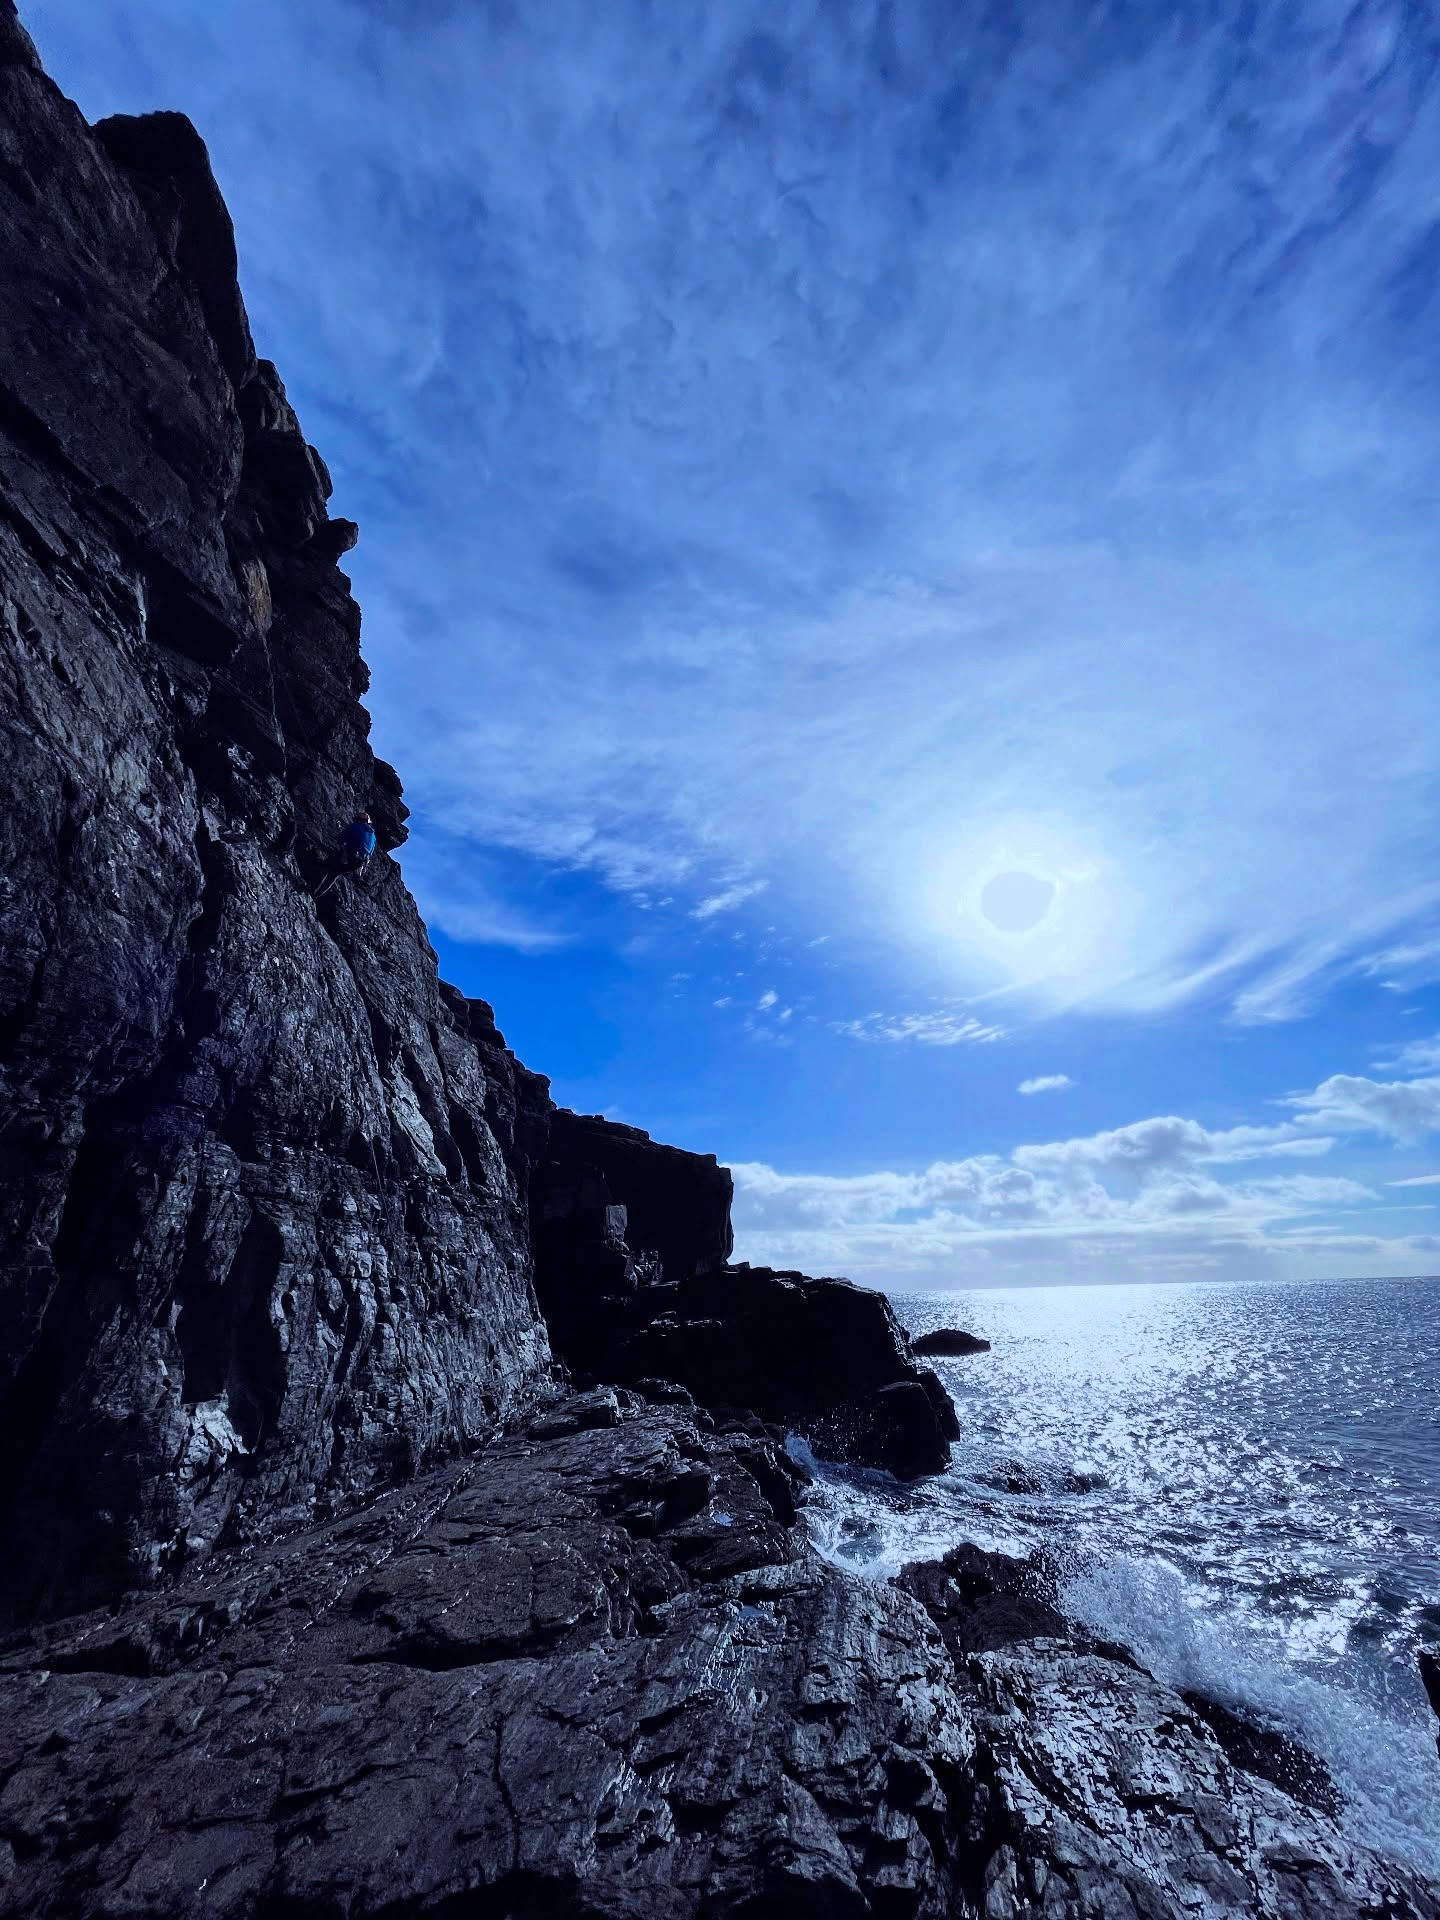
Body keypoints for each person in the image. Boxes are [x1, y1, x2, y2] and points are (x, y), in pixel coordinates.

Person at [312, 812, 377, 900]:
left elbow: (341, 839)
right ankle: (316, 895)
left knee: (327, 867)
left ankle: (312, 890)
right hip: (360, 863)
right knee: (335, 872)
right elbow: (370, 853)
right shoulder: (373, 835)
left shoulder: (355, 826)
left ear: (357, 819)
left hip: (351, 855)